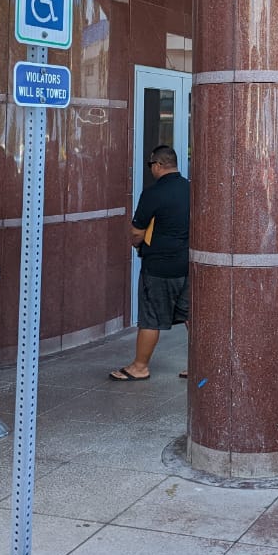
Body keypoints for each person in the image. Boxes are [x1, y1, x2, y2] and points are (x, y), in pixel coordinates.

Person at [111, 144, 190, 381]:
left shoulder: (153, 193)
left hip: (158, 267)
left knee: (151, 318)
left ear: (158, 165)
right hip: (186, 264)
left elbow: (137, 231)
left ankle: (140, 366)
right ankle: (201, 364)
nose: (151, 169)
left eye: (150, 165)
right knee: (190, 316)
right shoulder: (190, 189)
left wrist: (137, 243)